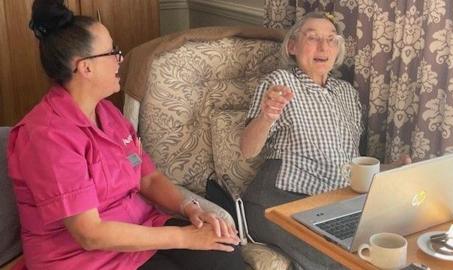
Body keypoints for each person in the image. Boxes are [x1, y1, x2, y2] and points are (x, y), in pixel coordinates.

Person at [7, 1, 246, 270]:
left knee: (223, 252)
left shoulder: (108, 113)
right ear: (85, 67)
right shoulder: (47, 136)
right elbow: (90, 234)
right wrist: (182, 236)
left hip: (139, 232)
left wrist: (189, 208)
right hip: (84, 259)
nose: (119, 59)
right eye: (112, 52)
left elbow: (149, 177)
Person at [240, 12, 410, 270]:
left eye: (331, 40)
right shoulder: (280, 82)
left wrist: (392, 169)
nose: (323, 47)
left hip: (332, 204)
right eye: (313, 38)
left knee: (394, 244)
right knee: (343, 261)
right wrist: (267, 116)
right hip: (278, 200)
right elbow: (247, 150)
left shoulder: (346, 93)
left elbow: (347, 164)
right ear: (292, 46)